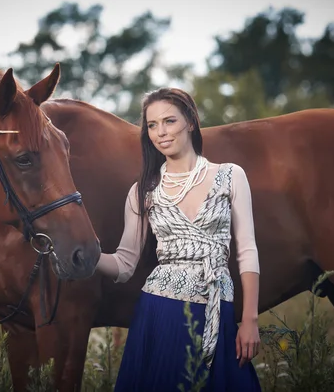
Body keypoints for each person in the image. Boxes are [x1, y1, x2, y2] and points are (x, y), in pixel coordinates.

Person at [95, 87, 262, 391]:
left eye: (169, 121)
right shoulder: (142, 192)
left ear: (191, 122)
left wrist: (249, 319)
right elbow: (124, 264)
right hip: (159, 312)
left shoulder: (230, 176)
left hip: (217, 305)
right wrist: (86, 255)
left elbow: (247, 252)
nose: (161, 132)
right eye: (152, 125)